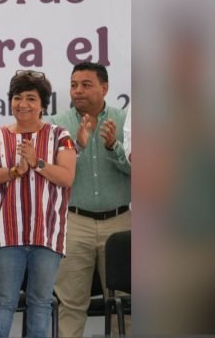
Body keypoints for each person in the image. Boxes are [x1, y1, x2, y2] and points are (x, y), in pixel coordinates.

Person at [0, 70, 77, 338]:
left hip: (47, 233)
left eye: (30, 98)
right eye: (17, 97)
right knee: (3, 300)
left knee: (40, 302)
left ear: (43, 105)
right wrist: (15, 171)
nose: (22, 104)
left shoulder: (60, 135)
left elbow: (67, 177)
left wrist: (37, 163)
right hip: (7, 233)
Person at [49, 62, 131, 337]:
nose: (78, 91)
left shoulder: (124, 121)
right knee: (70, 305)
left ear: (104, 88)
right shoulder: (58, 125)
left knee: (126, 305)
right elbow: (54, 172)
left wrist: (113, 147)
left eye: (86, 85)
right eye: (74, 85)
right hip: (74, 223)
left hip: (120, 223)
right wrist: (79, 146)